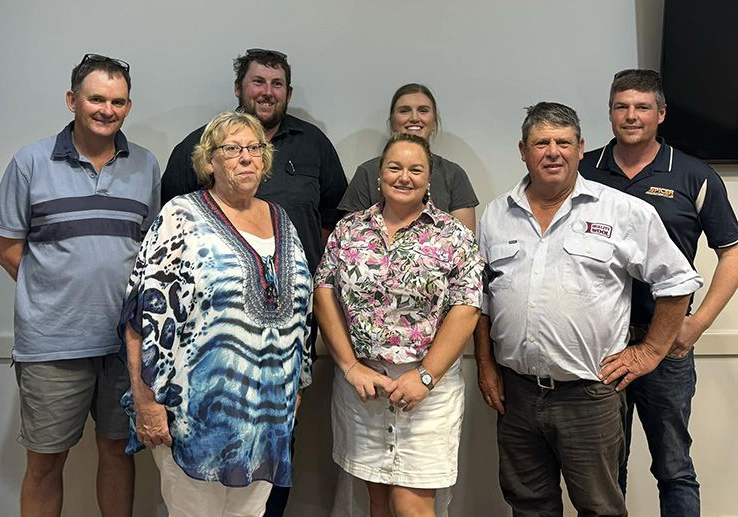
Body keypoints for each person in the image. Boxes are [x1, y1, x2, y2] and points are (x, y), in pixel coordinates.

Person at [474, 102, 703, 516]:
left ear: (580, 148)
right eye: (541, 143)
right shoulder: (495, 214)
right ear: (523, 150)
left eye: (563, 142)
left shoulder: (622, 211)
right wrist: (486, 364)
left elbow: (677, 281)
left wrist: (650, 351)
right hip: (518, 394)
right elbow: (481, 299)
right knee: (528, 505)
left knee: (600, 508)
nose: (553, 152)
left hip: (589, 396)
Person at [160, 49, 346, 515]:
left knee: (272, 463)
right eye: (258, 82)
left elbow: (332, 225)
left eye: (276, 83)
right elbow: (159, 281)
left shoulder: (314, 147)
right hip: (204, 375)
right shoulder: (193, 150)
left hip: (281, 358)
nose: (267, 92)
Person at [0, 53, 160, 517]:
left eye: (118, 102)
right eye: (96, 99)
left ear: (128, 107)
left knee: (118, 452)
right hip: (51, 345)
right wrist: (54, 294)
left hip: (124, 345)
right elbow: (7, 249)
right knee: (45, 463)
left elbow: (150, 251)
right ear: (72, 101)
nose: (107, 110)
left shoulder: (145, 165)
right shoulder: (30, 161)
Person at [120, 111, 313, 517]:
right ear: (209, 161)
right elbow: (142, 316)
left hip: (267, 419)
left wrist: (295, 391)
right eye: (232, 149)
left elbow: (300, 318)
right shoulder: (181, 216)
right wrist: (145, 402)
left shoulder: (282, 220)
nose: (246, 157)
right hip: (194, 418)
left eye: (254, 148)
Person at [579, 69, 738, 516]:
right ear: (610, 113)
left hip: (666, 341)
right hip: (600, 343)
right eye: (622, 106)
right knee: (606, 470)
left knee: (673, 467)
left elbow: (732, 252)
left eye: (642, 107)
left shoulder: (693, 175)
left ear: (661, 114)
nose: (631, 115)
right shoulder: (583, 169)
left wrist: (697, 324)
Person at [315, 133, 483, 517]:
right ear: (379, 174)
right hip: (364, 388)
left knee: (412, 504)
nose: (403, 177)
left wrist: (425, 376)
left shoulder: (453, 235)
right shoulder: (350, 230)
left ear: (429, 178)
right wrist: (350, 367)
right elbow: (323, 292)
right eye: (394, 167)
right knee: (377, 500)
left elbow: (467, 307)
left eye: (415, 169)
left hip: (427, 390)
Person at [338, 83, 479, 231]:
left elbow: (464, 238)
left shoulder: (454, 175)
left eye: (423, 110)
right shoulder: (367, 173)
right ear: (392, 122)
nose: (414, 118)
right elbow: (350, 235)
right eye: (404, 111)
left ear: (434, 122)